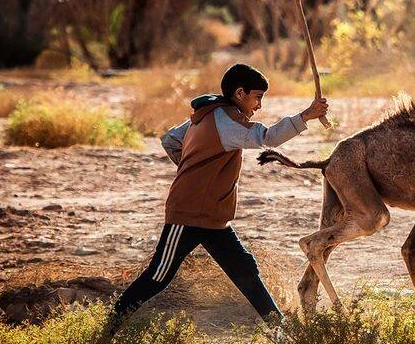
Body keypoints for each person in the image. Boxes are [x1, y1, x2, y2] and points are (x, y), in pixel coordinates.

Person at [110, 63, 328, 324]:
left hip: (212, 217)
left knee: (245, 270)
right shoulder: (227, 122)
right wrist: (306, 115)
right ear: (239, 93)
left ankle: (282, 334)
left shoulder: (206, 114)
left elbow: (169, 140)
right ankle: (106, 329)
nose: (259, 106)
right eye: (257, 97)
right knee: (157, 277)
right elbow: (268, 137)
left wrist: (193, 168)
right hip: (188, 215)